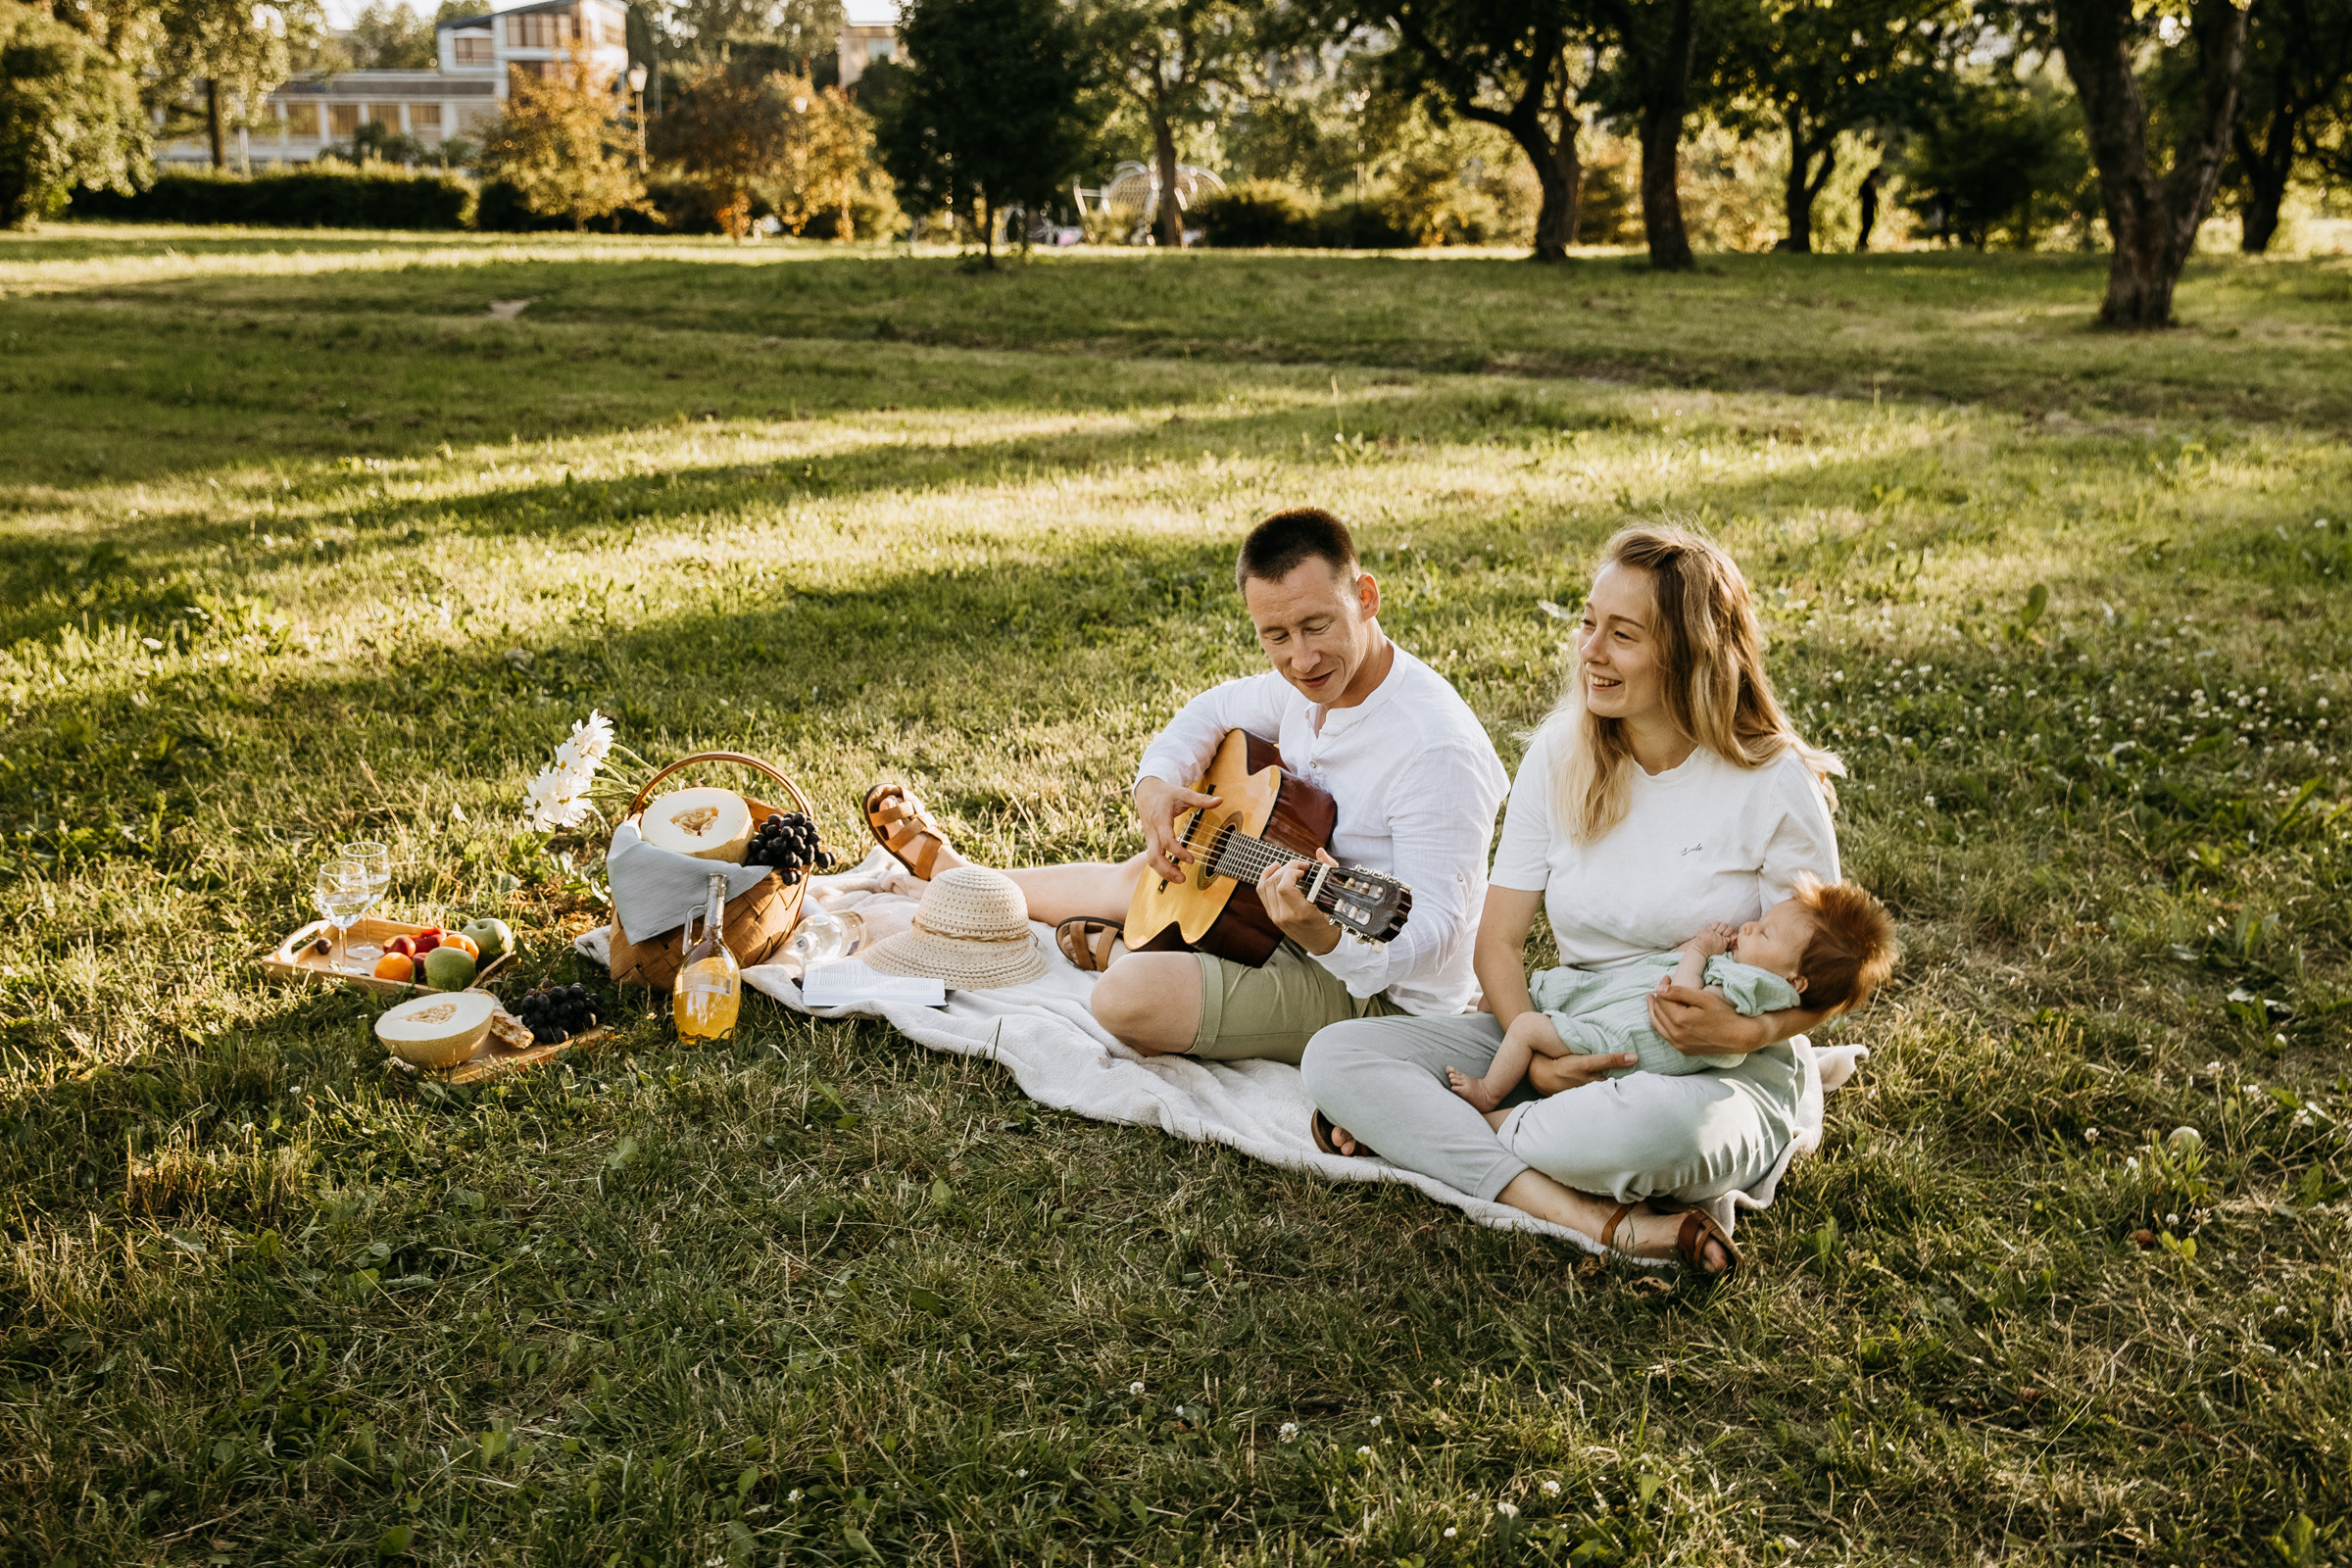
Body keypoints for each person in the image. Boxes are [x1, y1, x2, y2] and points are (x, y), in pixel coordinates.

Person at [1299, 525, 1850, 1277]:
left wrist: (1750, 1034)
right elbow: (1497, 943)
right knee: (1336, 1058)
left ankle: (1445, 1132)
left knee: (1661, 1139)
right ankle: (1593, 1217)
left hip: (1716, 1069)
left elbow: (1828, 977)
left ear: (1689, 653)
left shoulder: (1772, 780)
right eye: (1589, 622)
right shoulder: (1562, 753)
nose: (1589, 650)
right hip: (1570, 1023)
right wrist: (1535, 1038)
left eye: (1622, 635)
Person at [862, 508, 1508, 1064]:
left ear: (1366, 597)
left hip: (1377, 993)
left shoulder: (1435, 750)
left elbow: (1435, 940)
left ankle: (1123, 950)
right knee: (1161, 867)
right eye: (1275, 636)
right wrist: (1156, 784)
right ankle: (960, 877)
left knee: (1126, 996)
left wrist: (1326, 938)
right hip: (1277, 902)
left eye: (1317, 626)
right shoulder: (1302, 686)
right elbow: (1214, 709)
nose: (1301, 660)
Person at [1446, 877, 1896, 1113]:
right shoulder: (1747, 969)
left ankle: (1489, 1095)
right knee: (1510, 1000)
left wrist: (1699, 950)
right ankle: (1487, 1047)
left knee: (1525, 1026)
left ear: (1795, 981)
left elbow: (1680, 996)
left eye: (1767, 932)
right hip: (1610, 999)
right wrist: (1694, 949)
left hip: (1618, 1036)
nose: (1751, 926)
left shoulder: (1757, 989)